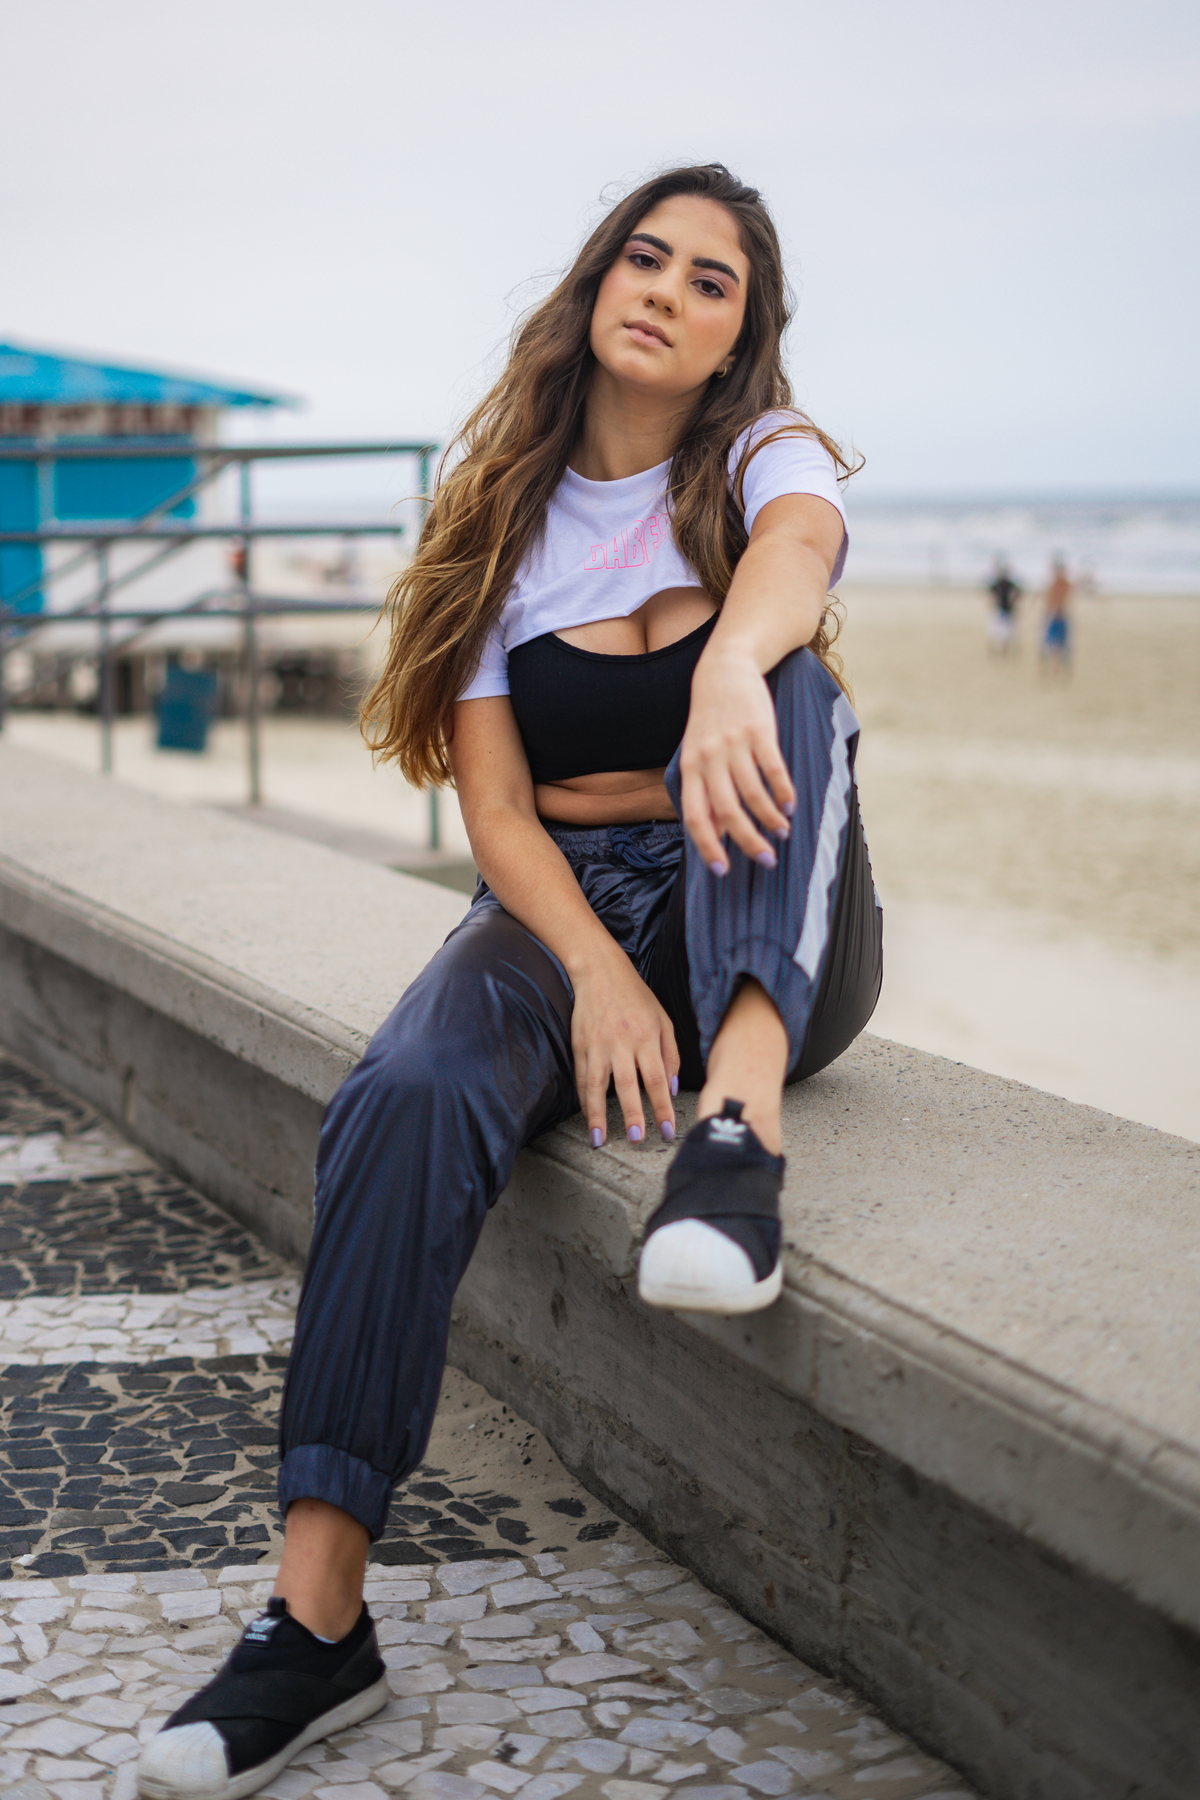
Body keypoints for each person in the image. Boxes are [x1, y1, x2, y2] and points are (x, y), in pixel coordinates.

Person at [136, 162, 883, 1800]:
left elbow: (801, 556)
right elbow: (491, 808)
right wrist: (599, 976)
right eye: (646, 257)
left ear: (738, 338)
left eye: (712, 283)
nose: (669, 291)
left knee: (798, 706)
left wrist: (734, 672)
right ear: (595, 283)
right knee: (403, 1095)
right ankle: (316, 1622)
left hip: (762, 894)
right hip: (571, 900)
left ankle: (735, 1139)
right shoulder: (509, 511)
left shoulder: (764, 456)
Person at [1042, 555, 1072, 671]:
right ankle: (1052, 667)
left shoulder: (1064, 584)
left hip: (1060, 615)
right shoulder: (1053, 584)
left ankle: (1057, 668)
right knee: (1050, 644)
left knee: (1060, 645)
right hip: (1053, 615)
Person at [987, 556, 1021, 653]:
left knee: (1003, 632)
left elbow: (991, 594)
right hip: (1003, 609)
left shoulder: (1004, 584)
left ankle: (1002, 650)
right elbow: (991, 593)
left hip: (1004, 609)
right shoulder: (1004, 584)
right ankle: (1000, 650)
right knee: (1001, 632)